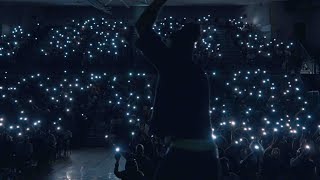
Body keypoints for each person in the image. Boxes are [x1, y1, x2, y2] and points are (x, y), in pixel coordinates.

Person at [135, 0, 220, 179]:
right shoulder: (199, 73)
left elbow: (142, 25)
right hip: (209, 155)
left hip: (183, 153)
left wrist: (158, 3)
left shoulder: (170, 63)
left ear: (174, 45)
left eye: (167, 41)